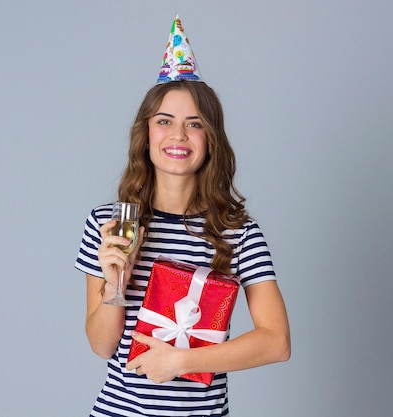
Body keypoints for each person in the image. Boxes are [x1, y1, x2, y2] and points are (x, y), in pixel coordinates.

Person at [75, 15, 290, 417]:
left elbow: (276, 342)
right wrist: (113, 281)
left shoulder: (238, 233)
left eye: (194, 124)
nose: (178, 135)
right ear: (147, 136)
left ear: (210, 140)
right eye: (164, 122)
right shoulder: (108, 224)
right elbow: (102, 346)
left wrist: (180, 362)